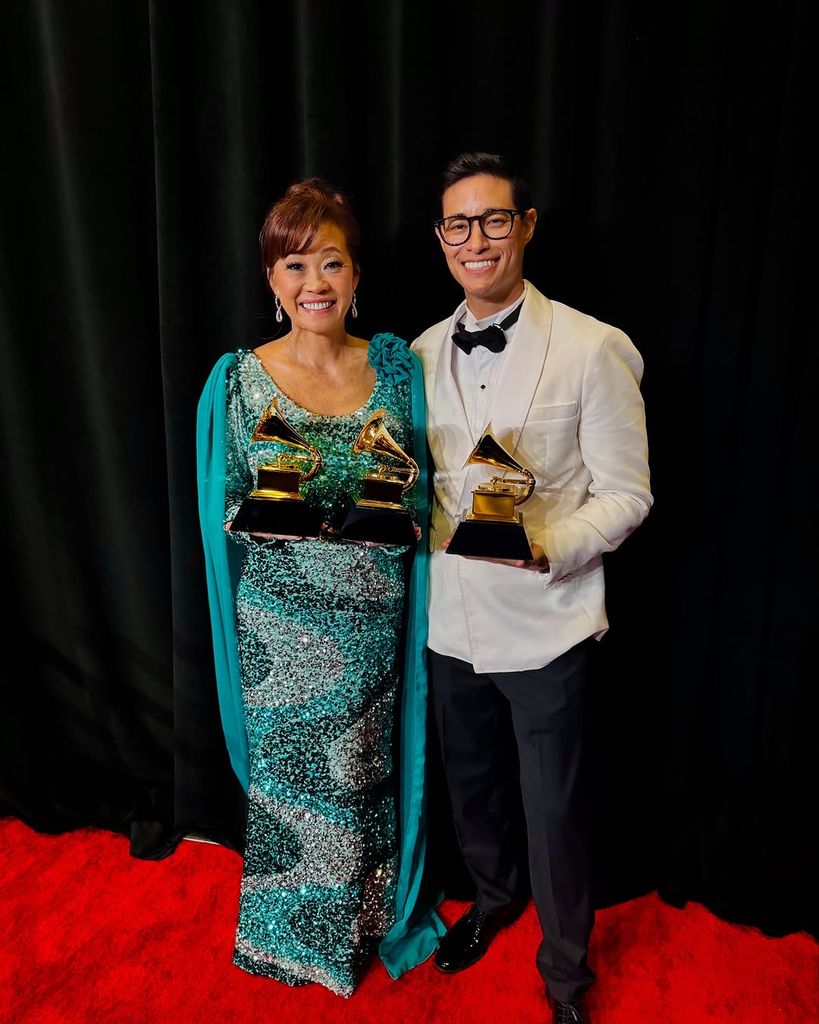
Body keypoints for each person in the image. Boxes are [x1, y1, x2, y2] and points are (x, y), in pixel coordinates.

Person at [411, 153, 653, 1024]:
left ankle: (565, 975)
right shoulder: (419, 353)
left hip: (548, 622)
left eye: (493, 220)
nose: (474, 240)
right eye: (457, 224)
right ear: (440, 237)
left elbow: (627, 493)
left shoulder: (592, 347)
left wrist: (549, 546)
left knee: (553, 810)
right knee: (471, 786)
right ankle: (490, 898)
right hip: (448, 621)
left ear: (526, 226)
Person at [196, 179, 444, 997]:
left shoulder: (397, 370)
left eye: (330, 262)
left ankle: (362, 924)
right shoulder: (237, 379)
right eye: (294, 265)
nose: (314, 282)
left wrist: (395, 518)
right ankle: (287, 938)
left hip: (374, 615)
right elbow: (224, 503)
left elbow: (420, 490)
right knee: (294, 784)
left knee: (361, 772)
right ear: (271, 279)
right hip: (281, 624)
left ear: (356, 274)